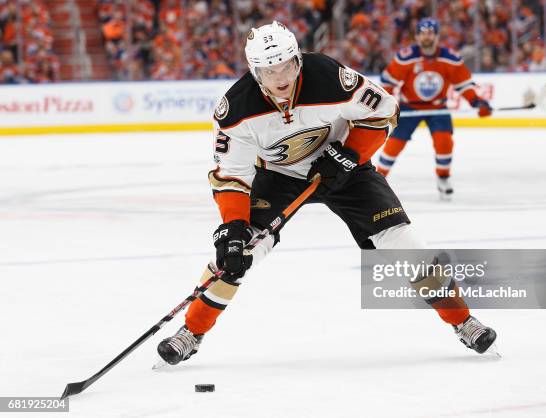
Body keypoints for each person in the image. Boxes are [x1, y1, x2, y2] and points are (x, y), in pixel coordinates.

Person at [156, 21, 497, 366]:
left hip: (343, 167)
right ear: (254, 71)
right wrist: (231, 227)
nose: (281, 78)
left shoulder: (329, 77)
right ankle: (192, 331)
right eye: (269, 70)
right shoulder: (236, 110)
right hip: (277, 176)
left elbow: (385, 111)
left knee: (403, 241)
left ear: (298, 60)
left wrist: (350, 154)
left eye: (287, 65)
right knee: (235, 255)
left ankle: (462, 320)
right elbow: (231, 177)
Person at [376, 18, 492, 201]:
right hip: (409, 107)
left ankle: (443, 178)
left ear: (437, 36)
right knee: (394, 145)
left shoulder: (450, 58)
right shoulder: (406, 57)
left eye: (430, 33)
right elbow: (387, 82)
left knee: (444, 142)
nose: (426, 37)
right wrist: (386, 104)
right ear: (417, 36)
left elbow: (463, 85)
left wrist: (477, 102)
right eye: (422, 33)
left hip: (438, 107)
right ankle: (377, 180)